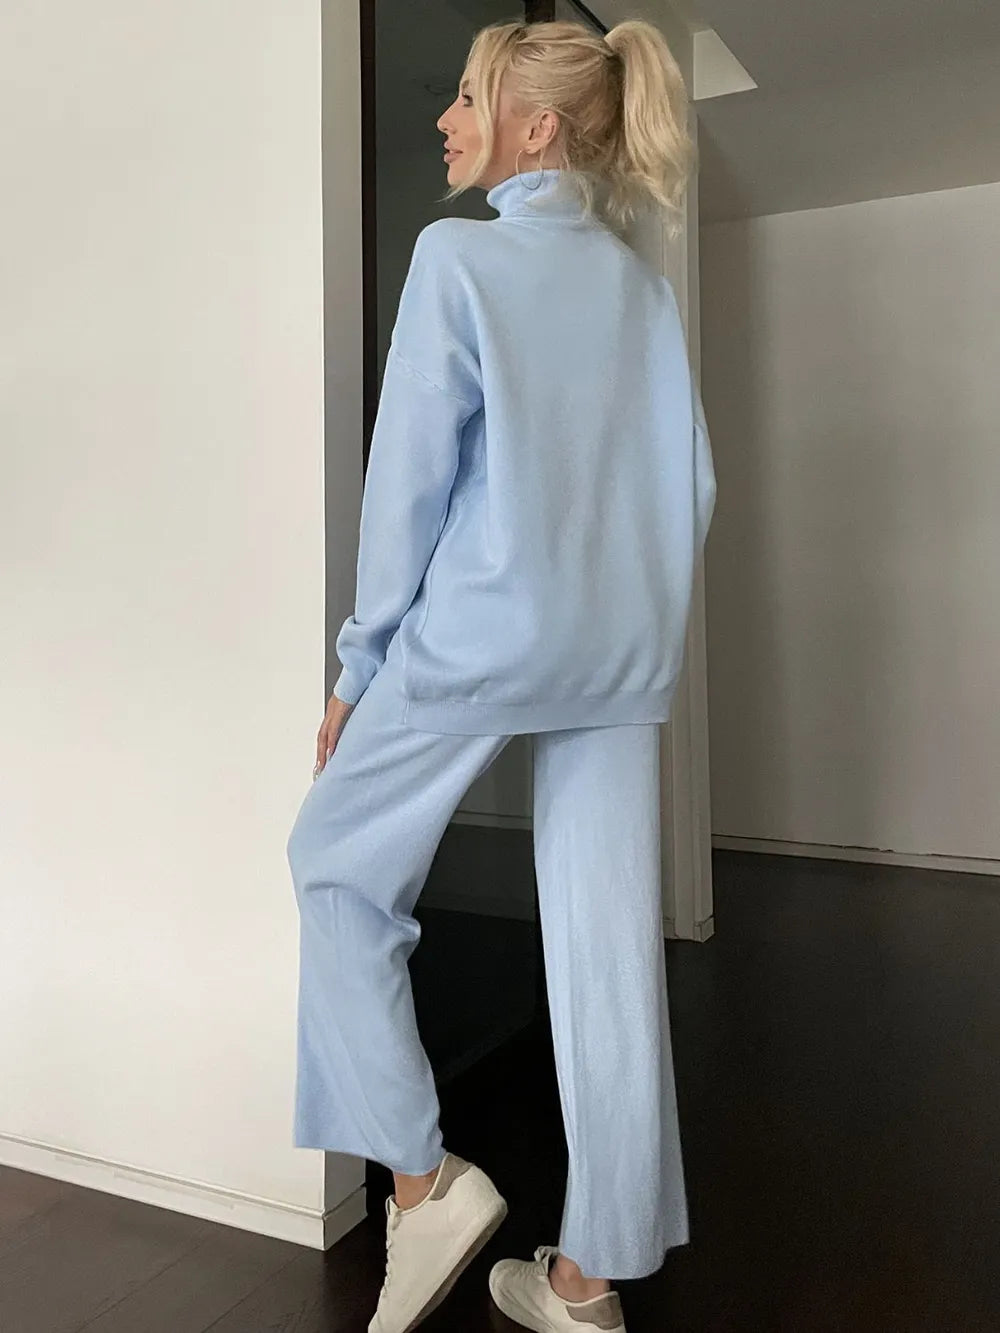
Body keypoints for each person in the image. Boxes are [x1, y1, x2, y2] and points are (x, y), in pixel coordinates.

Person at [286, 16, 715, 1333]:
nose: (445, 121)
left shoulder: (458, 255)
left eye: (468, 99)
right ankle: (587, 1284)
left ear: (535, 129)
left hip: (478, 637)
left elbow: (408, 487)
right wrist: (635, 628)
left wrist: (358, 667)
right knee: (608, 961)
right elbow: (691, 485)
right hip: (619, 657)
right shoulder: (642, 286)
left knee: (333, 863)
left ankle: (423, 1186)